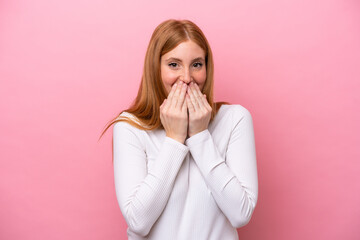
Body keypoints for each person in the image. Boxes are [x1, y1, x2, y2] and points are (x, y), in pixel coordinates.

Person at [100, 19, 258, 240]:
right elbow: (138, 222)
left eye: (196, 64)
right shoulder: (129, 127)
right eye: (174, 64)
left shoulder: (234, 119)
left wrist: (200, 135)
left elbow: (241, 214)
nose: (186, 77)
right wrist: (174, 139)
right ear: (155, 68)